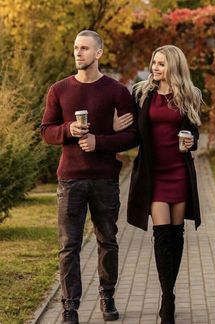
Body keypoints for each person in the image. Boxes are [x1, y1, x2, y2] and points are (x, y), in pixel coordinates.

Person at [40, 30, 137, 324]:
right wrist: (68, 130)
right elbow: (46, 130)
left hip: (105, 179)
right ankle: (70, 306)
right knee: (69, 245)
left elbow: (133, 135)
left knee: (107, 240)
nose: (78, 53)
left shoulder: (117, 91)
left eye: (84, 48)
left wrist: (101, 141)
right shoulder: (59, 90)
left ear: (98, 53)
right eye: (75, 48)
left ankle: (107, 297)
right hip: (70, 180)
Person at [125, 45, 202, 324]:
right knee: (161, 235)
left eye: (160, 64)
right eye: (153, 63)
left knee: (176, 235)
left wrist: (192, 141)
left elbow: (194, 132)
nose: (154, 68)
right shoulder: (142, 93)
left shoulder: (189, 96)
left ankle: (168, 293)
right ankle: (167, 298)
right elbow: (133, 130)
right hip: (153, 174)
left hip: (179, 171)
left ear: (173, 66)